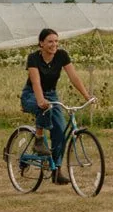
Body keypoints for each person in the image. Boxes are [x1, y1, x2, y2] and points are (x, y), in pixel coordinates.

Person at [22, 28, 94, 185]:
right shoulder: (33, 58)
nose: (54, 44)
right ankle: (39, 140)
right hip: (32, 94)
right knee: (44, 108)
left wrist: (86, 96)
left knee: (60, 131)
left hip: (51, 94)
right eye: (50, 41)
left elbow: (73, 77)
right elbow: (35, 82)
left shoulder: (62, 55)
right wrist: (40, 100)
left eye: (56, 41)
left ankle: (56, 171)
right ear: (41, 43)